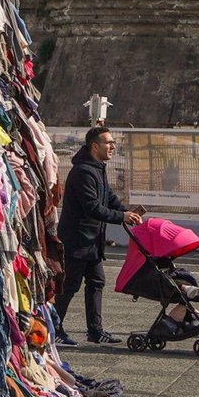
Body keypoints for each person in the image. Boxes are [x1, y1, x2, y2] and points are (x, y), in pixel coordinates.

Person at [53, 126, 142, 347]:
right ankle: (53, 330)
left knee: (96, 281)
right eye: (108, 143)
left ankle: (95, 331)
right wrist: (122, 216)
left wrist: (126, 212)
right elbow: (92, 206)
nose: (113, 146)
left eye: (113, 143)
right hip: (77, 240)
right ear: (95, 146)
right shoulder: (83, 171)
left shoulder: (97, 168)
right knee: (70, 284)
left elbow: (107, 196)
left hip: (92, 240)